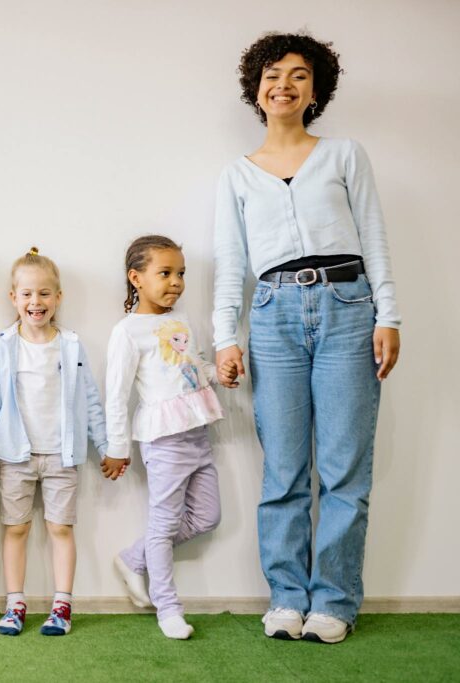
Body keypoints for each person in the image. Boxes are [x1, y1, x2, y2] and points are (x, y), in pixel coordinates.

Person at [213, 32, 402, 644]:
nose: (284, 85)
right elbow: (230, 263)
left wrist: (389, 316)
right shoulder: (237, 175)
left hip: (349, 305)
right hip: (271, 315)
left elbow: (373, 238)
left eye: (298, 75)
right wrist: (225, 337)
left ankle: (335, 602)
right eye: (273, 75)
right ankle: (287, 598)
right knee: (285, 470)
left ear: (315, 90)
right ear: (256, 88)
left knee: (346, 467)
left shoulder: (345, 155)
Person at [107, 235, 235, 639]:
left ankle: (133, 558)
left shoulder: (181, 322)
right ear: (136, 278)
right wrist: (117, 447)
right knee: (163, 525)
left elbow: (192, 367)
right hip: (163, 440)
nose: (176, 282)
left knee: (207, 517)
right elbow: (116, 393)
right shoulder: (128, 331)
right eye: (165, 273)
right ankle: (168, 608)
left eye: (180, 273)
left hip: (198, 434)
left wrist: (219, 374)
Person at [0, 247, 115, 637]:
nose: (35, 302)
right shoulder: (4, 346)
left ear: (58, 297)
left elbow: (90, 399)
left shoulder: (71, 345)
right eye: (26, 294)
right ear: (14, 298)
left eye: (44, 293)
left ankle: (62, 605)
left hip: (62, 454)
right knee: (16, 529)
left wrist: (106, 445)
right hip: (15, 454)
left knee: (60, 528)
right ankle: (15, 604)